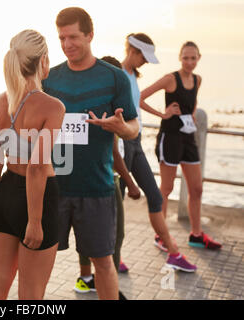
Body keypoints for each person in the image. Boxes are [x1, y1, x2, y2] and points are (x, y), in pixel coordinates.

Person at [42, 7, 140, 300]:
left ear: (90, 35)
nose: (67, 44)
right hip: (53, 187)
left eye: (73, 37)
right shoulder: (50, 78)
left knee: (103, 264)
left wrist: (121, 127)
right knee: (40, 261)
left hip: (97, 189)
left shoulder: (114, 78)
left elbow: (133, 126)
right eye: (61, 38)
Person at [0, 29, 65, 300]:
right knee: (31, 292)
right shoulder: (53, 107)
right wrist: (35, 222)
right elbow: (37, 167)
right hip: (37, 199)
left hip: (5, 194)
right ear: (43, 60)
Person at [119, 33, 197, 271]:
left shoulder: (132, 75)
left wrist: (162, 114)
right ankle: (111, 258)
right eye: (144, 57)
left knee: (154, 196)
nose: (145, 62)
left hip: (137, 142)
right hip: (121, 146)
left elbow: (137, 102)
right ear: (133, 51)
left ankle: (172, 253)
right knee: (116, 205)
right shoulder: (117, 74)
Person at [140, 41, 222, 250]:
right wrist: (162, 113)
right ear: (180, 58)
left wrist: (193, 114)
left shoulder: (197, 79)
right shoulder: (170, 79)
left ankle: (196, 235)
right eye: (185, 57)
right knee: (166, 189)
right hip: (170, 137)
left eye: (193, 58)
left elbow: (193, 101)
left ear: (199, 58)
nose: (189, 62)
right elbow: (140, 97)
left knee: (197, 188)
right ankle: (161, 236)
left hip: (188, 137)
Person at [74, 56, 141, 297]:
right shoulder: (105, 111)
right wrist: (131, 184)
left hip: (96, 180)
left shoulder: (104, 106)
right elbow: (115, 153)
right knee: (113, 236)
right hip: (105, 181)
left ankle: (88, 278)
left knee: (91, 236)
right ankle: (101, 281)